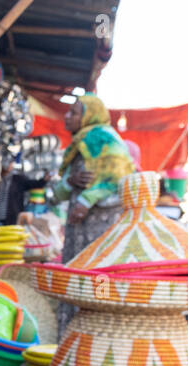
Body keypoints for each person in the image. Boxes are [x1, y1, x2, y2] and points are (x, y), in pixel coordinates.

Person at [52, 93, 135, 335]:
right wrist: (71, 182)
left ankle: (95, 342)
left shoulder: (106, 142)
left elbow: (120, 181)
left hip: (101, 232)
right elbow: (57, 194)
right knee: (75, 283)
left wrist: (87, 201)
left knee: (97, 283)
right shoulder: (80, 145)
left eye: (74, 112)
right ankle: (70, 342)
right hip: (78, 233)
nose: (67, 116)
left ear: (89, 116)